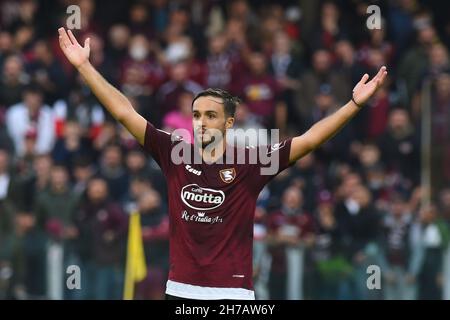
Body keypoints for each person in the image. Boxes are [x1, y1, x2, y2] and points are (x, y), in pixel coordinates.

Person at [57, 27, 388, 300]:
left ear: (229, 123)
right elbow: (124, 112)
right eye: (197, 115)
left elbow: (311, 139)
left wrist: (354, 104)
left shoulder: (251, 163)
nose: (201, 122)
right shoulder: (174, 154)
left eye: (211, 116)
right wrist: (85, 67)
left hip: (233, 296)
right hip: (180, 292)